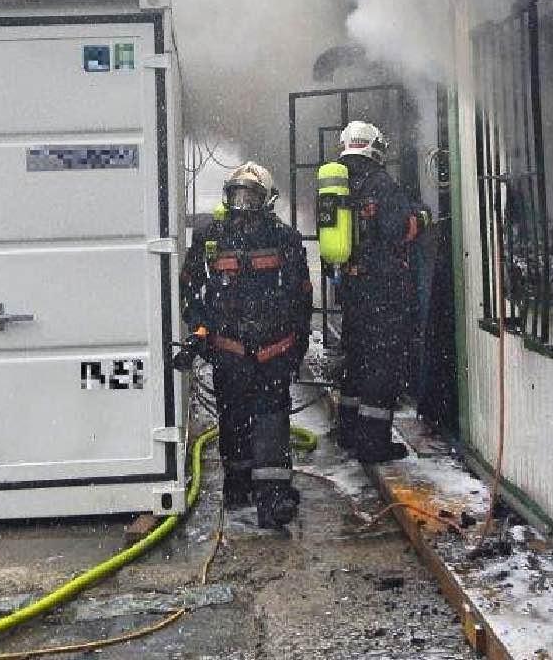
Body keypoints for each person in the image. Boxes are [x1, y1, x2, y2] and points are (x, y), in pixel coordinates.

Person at [179, 163, 312, 527]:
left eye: (251, 196)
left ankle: (273, 499)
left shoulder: (285, 239)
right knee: (234, 418)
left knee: (271, 419)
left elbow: (301, 295)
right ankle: (238, 488)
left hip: (273, 351)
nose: (243, 204)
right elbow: (189, 289)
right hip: (230, 352)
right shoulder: (210, 238)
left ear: (266, 200)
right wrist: (201, 331)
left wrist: (296, 346)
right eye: (237, 195)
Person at [331, 121, 428, 463]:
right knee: (381, 363)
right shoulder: (380, 183)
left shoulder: (339, 183)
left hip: (352, 286)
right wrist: (421, 217)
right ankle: (373, 444)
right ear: (374, 147)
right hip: (382, 288)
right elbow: (399, 229)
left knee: (355, 358)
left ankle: (348, 431)